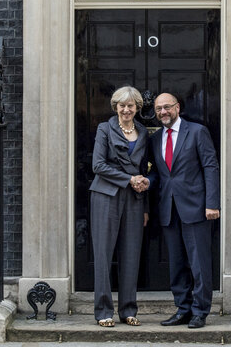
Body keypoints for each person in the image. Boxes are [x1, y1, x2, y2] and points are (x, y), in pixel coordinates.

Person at [148, 92, 220, 329]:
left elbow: (210, 166)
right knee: (176, 263)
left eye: (167, 107)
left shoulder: (197, 132)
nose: (163, 112)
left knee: (199, 262)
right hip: (169, 209)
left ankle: (200, 310)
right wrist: (146, 183)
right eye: (159, 109)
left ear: (177, 107)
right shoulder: (156, 138)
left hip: (197, 208)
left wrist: (212, 203)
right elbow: (159, 174)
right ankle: (183, 309)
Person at [90, 86, 149, 327]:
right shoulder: (105, 129)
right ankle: (104, 311)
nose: (126, 109)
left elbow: (144, 167)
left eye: (131, 105)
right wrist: (129, 179)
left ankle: (128, 310)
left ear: (137, 108)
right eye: (122, 105)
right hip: (106, 196)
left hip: (134, 199)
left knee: (131, 254)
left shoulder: (143, 132)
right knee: (103, 254)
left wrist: (143, 191)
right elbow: (98, 165)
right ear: (115, 107)